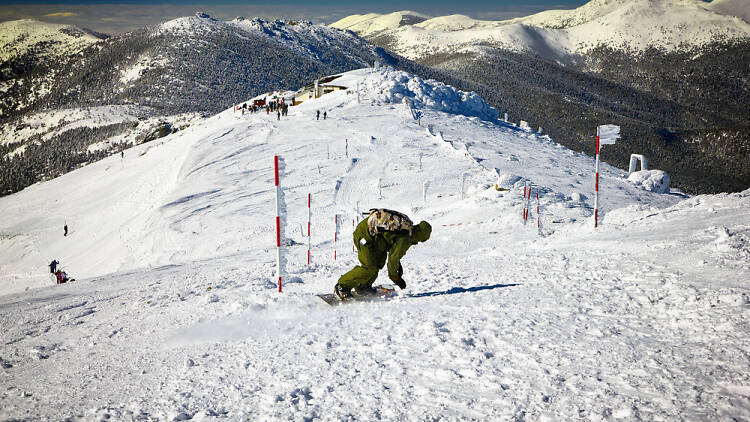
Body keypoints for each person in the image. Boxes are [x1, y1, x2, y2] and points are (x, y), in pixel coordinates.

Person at [334, 209, 432, 300]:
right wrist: (396, 278)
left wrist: (397, 265)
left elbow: (394, 251)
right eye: (422, 239)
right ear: (421, 235)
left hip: (375, 239)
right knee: (369, 267)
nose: (419, 242)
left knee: (377, 263)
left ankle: (363, 287)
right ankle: (342, 286)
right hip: (365, 236)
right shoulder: (406, 238)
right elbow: (393, 259)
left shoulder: (408, 230)